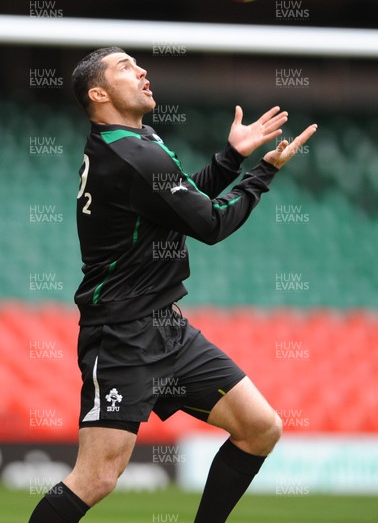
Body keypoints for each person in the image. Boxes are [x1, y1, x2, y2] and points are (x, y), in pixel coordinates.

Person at [28, 46, 317, 523]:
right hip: (122, 334)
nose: (142, 70)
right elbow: (210, 225)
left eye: (138, 64)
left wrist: (231, 158)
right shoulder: (133, 155)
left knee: (259, 428)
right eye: (125, 67)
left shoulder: (135, 141)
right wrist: (264, 171)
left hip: (167, 327)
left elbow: (181, 201)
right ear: (98, 93)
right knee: (96, 478)